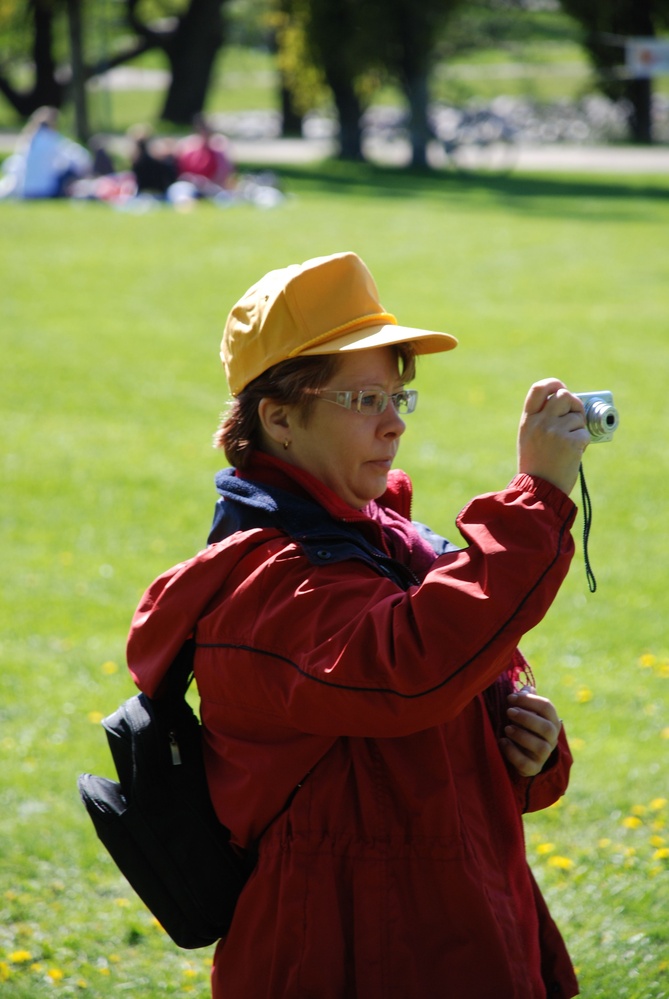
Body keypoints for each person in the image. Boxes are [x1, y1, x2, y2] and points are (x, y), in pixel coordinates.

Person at [127, 251, 588, 998]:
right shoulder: (266, 582)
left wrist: (529, 752)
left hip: (459, 918)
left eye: (398, 397)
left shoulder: (389, 541)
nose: (393, 424)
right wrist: (535, 498)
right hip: (343, 948)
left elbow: (448, 707)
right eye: (364, 399)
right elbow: (408, 673)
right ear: (279, 417)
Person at [176, 112, 234, 194]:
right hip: (192, 185)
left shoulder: (218, 150)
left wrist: (208, 183)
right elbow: (183, 172)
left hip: (212, 186)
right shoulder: (189, 148)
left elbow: (223, 174)